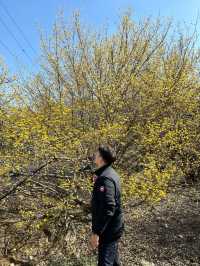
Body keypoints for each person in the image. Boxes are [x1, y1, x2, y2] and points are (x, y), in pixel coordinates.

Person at [90, 145, 124, 266]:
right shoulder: (109, 173)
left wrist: (96, 233)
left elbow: (108, 207)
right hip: (113, 227)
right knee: (113, 262)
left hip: (108, 231)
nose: (94, 155)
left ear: (101, 158)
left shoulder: (105, 179)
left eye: (97, 153)